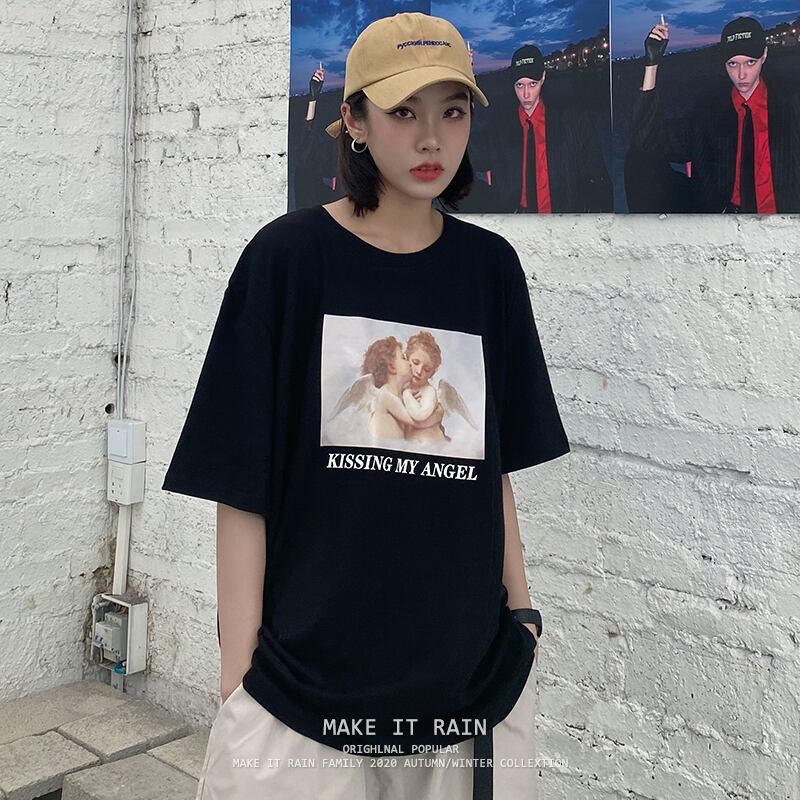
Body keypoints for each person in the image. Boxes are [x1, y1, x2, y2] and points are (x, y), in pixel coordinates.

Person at [162, 11, 570, 800]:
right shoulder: (286, 260)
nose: (431, 138)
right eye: (403, 111)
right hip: (301, 696)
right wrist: (237, 679)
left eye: (452, 110)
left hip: (467, 693)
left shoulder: (489, 269)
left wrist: (523, 619)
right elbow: (240, 484)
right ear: (353, 119)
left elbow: (489, 468)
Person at [629, 15, 800, 213]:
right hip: (727, 222)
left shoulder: (791, 105)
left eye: (750, 62)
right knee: (634, 163)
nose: (741, 74)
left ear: (764, 55)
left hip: (783, 223)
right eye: (733, 64)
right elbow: (646, 141)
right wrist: (651, 65)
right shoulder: (709, 112)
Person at [476, 44, 613, 213]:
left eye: (532, 84)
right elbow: (470, 156)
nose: (526, 94)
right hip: (517, 219)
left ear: (543, 78)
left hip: (562, 219)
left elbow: (597, 181)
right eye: (519, 85)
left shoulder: (573, 123)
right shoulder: (499, 129)